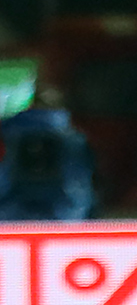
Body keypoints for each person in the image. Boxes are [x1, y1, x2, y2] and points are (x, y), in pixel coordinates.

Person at [0, 86, 95, 221]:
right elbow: (79, 179)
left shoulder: (9, 132)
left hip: (9, 213)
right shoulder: (74, 138)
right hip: (63, 214)